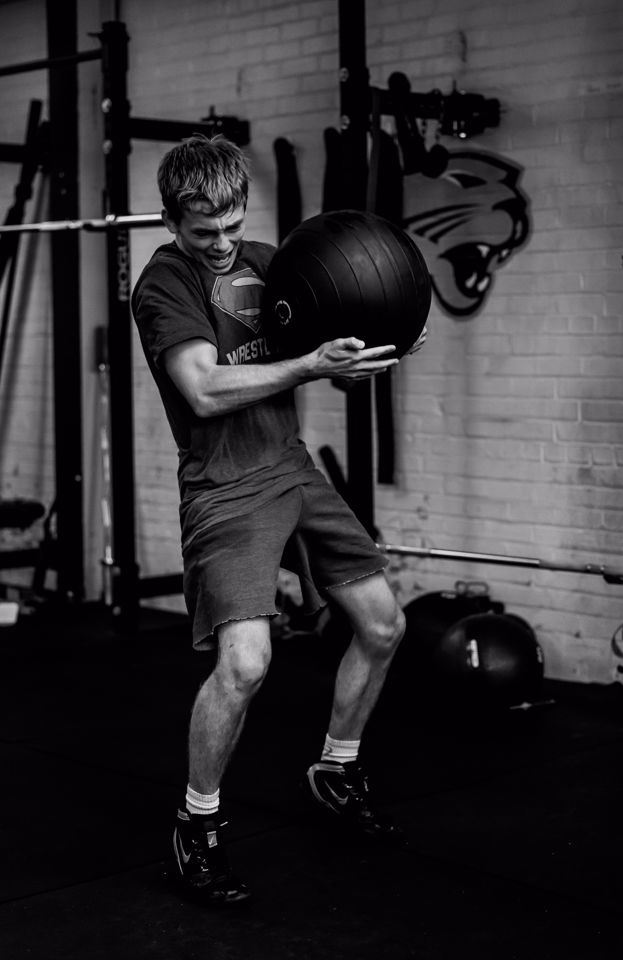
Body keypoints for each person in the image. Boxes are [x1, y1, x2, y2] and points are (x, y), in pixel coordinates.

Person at [132, 134, 406, 907]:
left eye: (232, 225)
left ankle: (336, 768)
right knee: (247, 664)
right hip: (225, 486)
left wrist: (376, 342)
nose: (221, 244)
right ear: (171, 221)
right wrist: (311, 365)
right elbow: (203, 389)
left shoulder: (269, 261)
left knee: (383, 624)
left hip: (291, 467)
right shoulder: (164, 282)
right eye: (202, 232)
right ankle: (197, 825)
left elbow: (332, 359)